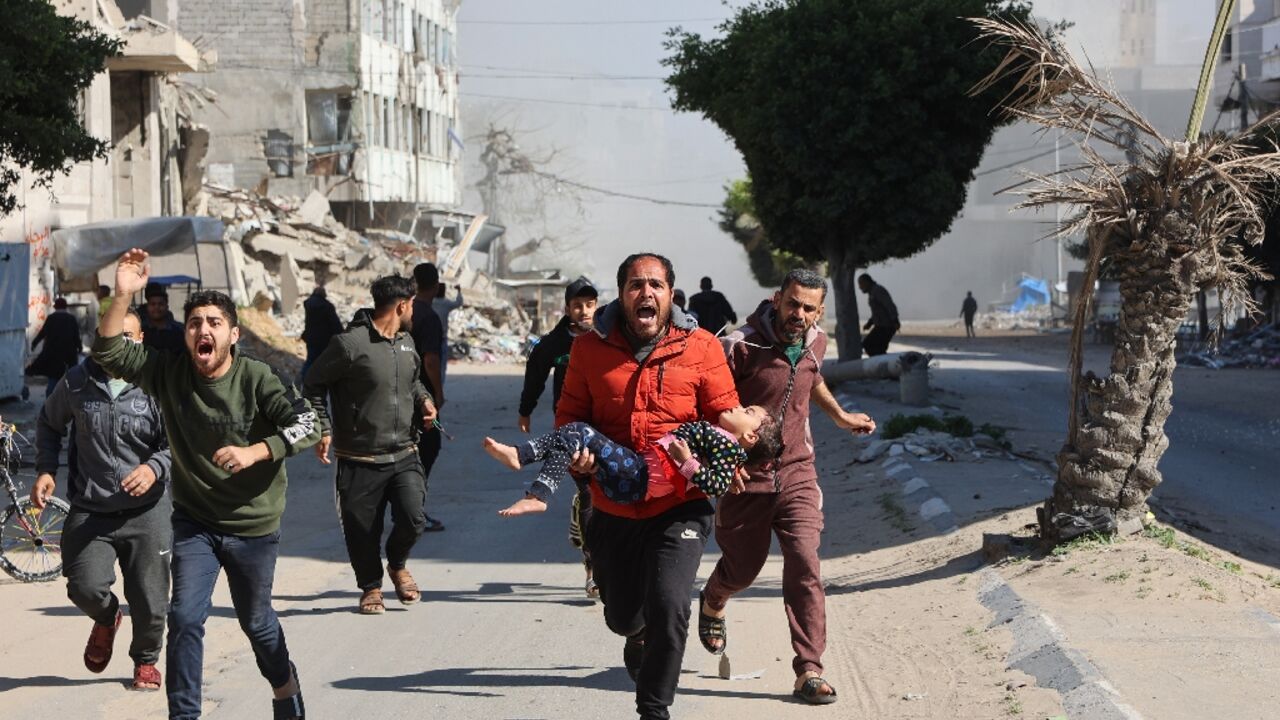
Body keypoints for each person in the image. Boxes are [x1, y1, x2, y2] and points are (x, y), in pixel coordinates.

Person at [94, 249, 320, 720]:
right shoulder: (169, 371)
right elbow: (109, 350)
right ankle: (184, 715)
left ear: (233, 335)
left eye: (215, 322)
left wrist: (256, 451)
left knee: (256, 623)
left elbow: (308, 425)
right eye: (195, 322)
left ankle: (285, 685)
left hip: (253, 525)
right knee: (184, 618)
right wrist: (121, 295)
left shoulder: (257, 378)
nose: (204, 330)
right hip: (195, 522)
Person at [556, 253, 740, 720]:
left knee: (671, 605)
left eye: (656, 285)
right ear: (621, 294)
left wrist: (739, 453)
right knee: (623, 615)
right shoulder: (588, 349)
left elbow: (725, 412)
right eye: (636, 285)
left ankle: (653, 710)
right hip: (613, 506)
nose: (647, 293)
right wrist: (577, 459)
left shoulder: (702, 347)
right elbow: (569, 417)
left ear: (671, 294)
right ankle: (634, 633)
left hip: (681, 502)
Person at [699, 269, 876, 705]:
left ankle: (809, 669)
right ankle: (715, 597)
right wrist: (722, 459)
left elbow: (811, 378)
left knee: (804, 564)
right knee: (743, 569)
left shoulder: (817, 341)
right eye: (792, 303)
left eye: (808, 308)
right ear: (777, 299)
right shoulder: (738, 344)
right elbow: (706, 404)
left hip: (797, 472)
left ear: (820, 311)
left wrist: (839, 416)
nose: (798, 314)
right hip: (745, 480)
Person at [33, 308, 172, 692]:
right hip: (92, 509)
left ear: (141, 340)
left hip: (148, 511)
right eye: (112, 335)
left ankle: (145, 660)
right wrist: (46, 469)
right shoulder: (77, 381)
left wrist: (155, 468)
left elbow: (177, 439)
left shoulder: (157, 383)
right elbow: (49, 422)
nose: (118, 344)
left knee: (150, 597)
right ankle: (108, 618)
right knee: (83, 586)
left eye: (128, 336)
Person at [303, 275, 437, 614]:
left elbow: (413, 380)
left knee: (414, 517)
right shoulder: (349, 344)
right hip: (358, 456)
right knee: (361, 530)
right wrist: (323, 426)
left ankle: (397, 564)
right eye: (413, 306)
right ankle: (371, 587)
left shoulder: (406, 342)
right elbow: (313, 383)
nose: (414, 312)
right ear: (402, 305)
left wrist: (424, 401)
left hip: (405, 451)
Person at [485, 404, 778, 511]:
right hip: (632, 475)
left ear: (750, 437)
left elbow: (716, 486)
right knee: (573, 436)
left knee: (578, 432)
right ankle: (524, 466)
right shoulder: (722, 439)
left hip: (637, 477)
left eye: (747, 412)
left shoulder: (729, 451)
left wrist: (687, 460)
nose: (738, 407)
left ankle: (532, 481)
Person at [516, 276, 599, 597]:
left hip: (607, 427)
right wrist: (525, 409)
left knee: (609, 497)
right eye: (578, 305)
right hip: (571, 430)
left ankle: (589, 532)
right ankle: (593, 568)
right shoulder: (554, 343)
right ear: (567, 309)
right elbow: (534, 374)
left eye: (590, 305)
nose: (584, 311)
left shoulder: (610, 336)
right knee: (591, 494)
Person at [410, 263, 446, 532]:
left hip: (399, 392)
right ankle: (413, 512)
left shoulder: (405, 312)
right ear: (435, 285)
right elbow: (431, 360)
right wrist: (438, 392)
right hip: (422, 397)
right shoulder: (429, 317)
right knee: (428, 448)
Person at [28, 297, 82, 397]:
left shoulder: (51, 318)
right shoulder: (71, 319)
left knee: (53, 378)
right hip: (69, 354)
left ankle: (50, 401)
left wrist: (34, 343)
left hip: (53, 354)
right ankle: (70, 400)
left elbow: (42, 333)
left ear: (55, 306)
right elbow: (76, 336)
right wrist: (80, 347)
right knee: (71, 378)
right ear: (66, 306)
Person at [300, 287, 343, 379]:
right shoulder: (327, 306)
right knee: (323, 362)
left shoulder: (308, 304)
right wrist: (342, 335)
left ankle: (303, 379)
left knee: (310, 359)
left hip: (310, 338)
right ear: (324, 295)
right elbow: (335, 324)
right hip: (324, 341)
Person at [858, 273, 899, 356]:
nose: (860, 287)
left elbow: (889, 305)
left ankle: (882, 365)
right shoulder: (873, 292)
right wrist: (870, 323)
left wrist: (895, 320)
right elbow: (877, 312)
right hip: (880, 325)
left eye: (861, 284)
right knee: (872, 346)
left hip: (886, 326)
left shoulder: (878, 291)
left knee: (871, 346)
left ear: (867, 282)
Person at [141, 284, 185, 354]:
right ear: (147, 307)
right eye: (153, 304)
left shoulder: (179, 331)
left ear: (167, 306)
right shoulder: (140, 330)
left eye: (160, 304)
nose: (156, 307)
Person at [432, 283, 463, 381]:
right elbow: (458, 302)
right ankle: (439, 388)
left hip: (430, 338)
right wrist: (459, 291)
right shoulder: (446, 303)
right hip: (442, 338)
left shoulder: (431, 302)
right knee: (442, 366)